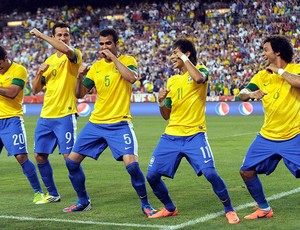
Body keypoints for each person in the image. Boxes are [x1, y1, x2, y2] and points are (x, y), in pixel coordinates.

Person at [62, 28, 157, 216]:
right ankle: (83, 201)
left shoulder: (128, 61)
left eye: (108, 43)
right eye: (102, 44)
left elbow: (131, 78)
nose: (104, 47)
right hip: (96, 123)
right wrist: (79, 77)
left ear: (116, 44)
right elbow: (79, 94)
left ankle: (145, 204)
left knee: (132, 166)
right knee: (72, 163)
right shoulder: (96, 67)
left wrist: (113, 58)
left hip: (119, 123)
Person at [146, 38, 240, 224]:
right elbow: (166, 115)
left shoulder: (201, 70)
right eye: (172, 53)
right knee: (152, 175)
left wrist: (185, 60)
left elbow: (198, 78)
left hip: (195, 135)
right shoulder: (172, 80)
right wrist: (160, 101)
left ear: (186, 54)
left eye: (175, 53)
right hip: (171, 135)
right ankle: (170, 208)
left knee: (210, 173)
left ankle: (229, 209)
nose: (172, 57)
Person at [238, 35, 300, 220]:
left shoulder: (296, 69)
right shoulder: (261, 75)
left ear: (277, 51)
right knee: (246, 171)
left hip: (294, 134)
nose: (263, 53)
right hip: (267, 136)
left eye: (266, 49)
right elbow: (242, 93)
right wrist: (250, 93)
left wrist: (279, 71)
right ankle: (264, 208)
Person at [29, 22, 82, 204]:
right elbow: (35, 89)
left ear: (69, 37)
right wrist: (38, 73)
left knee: (70, 159)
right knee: (39, 155)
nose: (62, 38)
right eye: (59, 35)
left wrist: (42, 36)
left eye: (65, 35)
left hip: (65, 115)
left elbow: (65, 50)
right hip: (46, 115)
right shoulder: (49, 61)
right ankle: (52, 193)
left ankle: (83, 198)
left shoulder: (73, 55)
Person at [0, 45, 44, 203]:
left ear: (6, 59)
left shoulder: (19, 70)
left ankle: (38, 192)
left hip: (11, 119)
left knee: (21, 156)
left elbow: (12, 93)